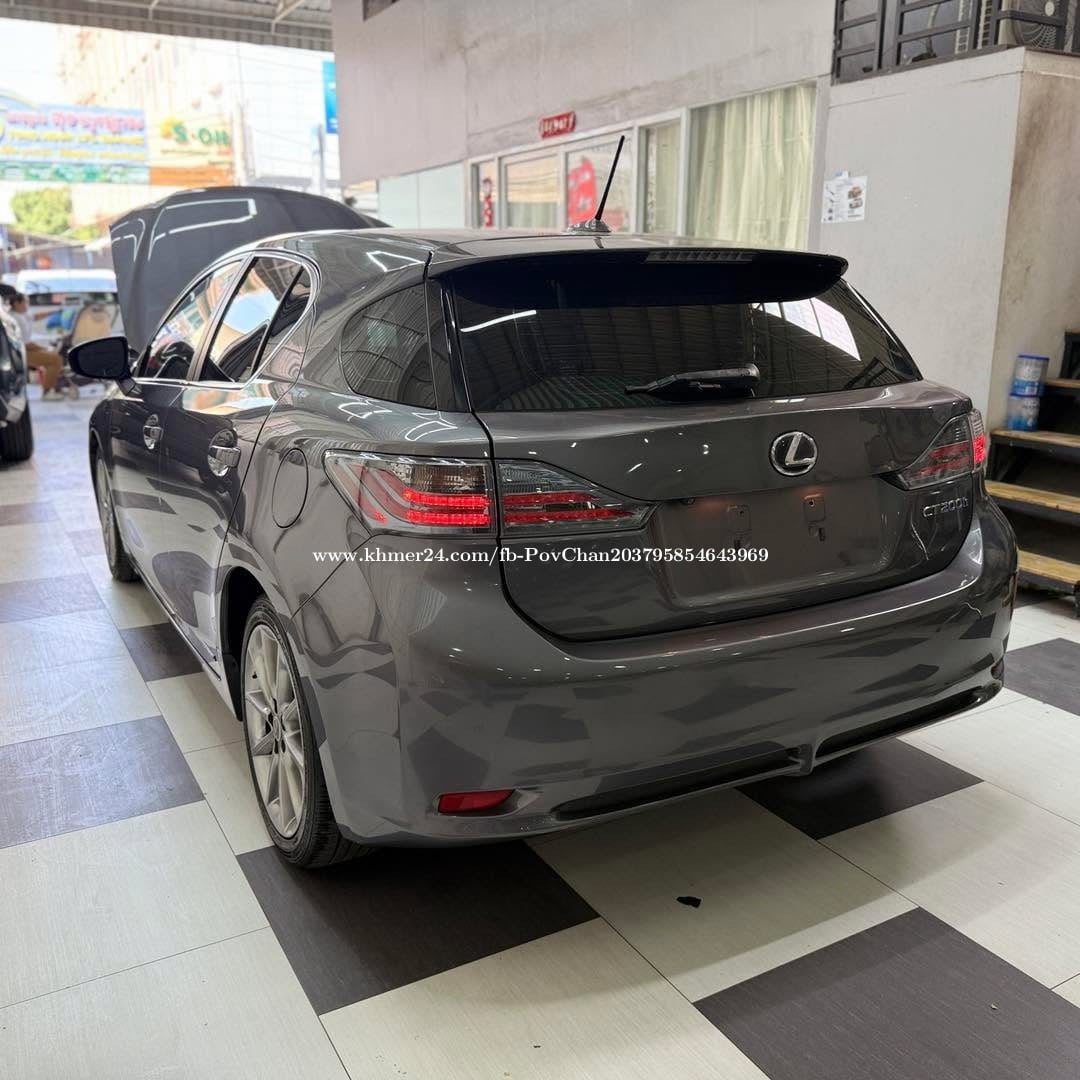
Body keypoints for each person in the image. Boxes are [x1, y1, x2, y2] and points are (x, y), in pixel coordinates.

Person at [10, 291, 64, 399]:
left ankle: (53, 387)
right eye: (25, 302)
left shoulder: (22, 313)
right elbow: (25, 344)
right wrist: (45, 348)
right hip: (21, 352)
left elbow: (35, 317)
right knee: (55, 360)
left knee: (54, 356)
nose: (27, 304)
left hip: (26, 349)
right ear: (16, 303)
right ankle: (47, 392)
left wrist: (54, 312)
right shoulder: (15, 319)